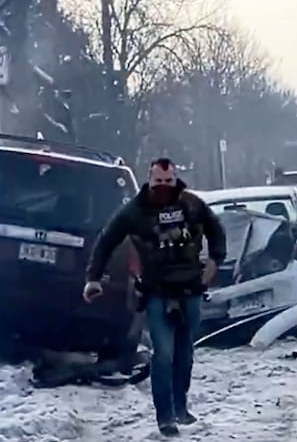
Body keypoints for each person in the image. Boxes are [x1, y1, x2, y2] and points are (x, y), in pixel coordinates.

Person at [83, 158, 226, 437]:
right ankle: (166, 418)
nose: (163, 187)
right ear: (150, 180)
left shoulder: (192, 204)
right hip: (157, 292)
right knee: (163, 355)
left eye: (168, 181)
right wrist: (93, 279)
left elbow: (216, 230)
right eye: (158, 182)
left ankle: (180, 406)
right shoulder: (135, 211)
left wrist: (215, 260)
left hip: (191, 289)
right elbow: (106, 240)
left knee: (185, 353)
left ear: (176, 179)